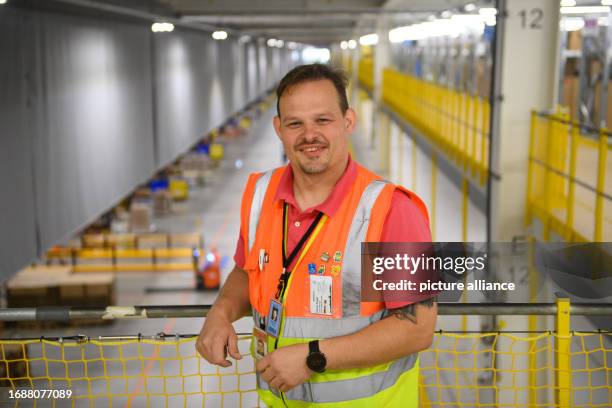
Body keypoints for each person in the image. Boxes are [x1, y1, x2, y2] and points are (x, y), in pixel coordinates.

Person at [196, 63, 437, 407]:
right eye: (295, 123)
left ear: (348, 121)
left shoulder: (392, 210)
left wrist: (313, 357)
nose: (309, 135)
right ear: (279, 129)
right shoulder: (260, 195)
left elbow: (417, 328)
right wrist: (219, 313)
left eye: (322, 120)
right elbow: (247, 270)